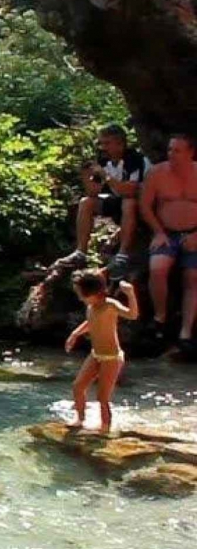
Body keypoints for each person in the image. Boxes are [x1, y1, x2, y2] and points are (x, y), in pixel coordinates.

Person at [57, 125, 148, 278]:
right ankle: (80, 252)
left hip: (139, 206)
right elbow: (93, 192)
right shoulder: (104, 160)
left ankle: (122, 256)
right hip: (116, 202)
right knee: (86, 202)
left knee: (129, 202)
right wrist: (86, 176)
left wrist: (106, 176)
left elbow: (129, 191)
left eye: (107, 143)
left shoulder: (134, 159)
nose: (103, 147)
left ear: (120, 144)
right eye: (101, 143)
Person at [139, 133, 197, 353]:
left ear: (190, 152)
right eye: (170, 150)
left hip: (194, 233)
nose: (172, 154)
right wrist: (158, 232)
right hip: (166, 232)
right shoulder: (157, 173)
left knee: (193, 277)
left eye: (177, 150)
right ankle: (160, 318)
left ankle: (186, 332)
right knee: (158, 268)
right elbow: (145, 205)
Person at [64, 269, 138, 433]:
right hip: (95, 354)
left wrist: (130, 294)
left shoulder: (110, 305)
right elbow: (91, 322)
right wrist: (75, 334)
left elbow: (132, 315)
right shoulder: (91, 307)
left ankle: (105, 428)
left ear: (93, 293)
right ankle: (80, 418)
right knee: (78, 387)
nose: (79, 297)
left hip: (111, 357)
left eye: (80, 294)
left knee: (102, 397)